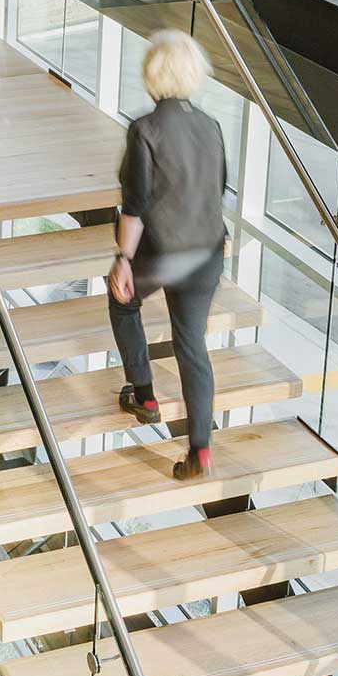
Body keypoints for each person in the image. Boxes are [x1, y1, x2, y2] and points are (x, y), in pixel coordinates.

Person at [106, 29, 228, 482]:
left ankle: (145, 395)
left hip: (167, 252)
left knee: (122, 299)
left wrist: (123, 259)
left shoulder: (145, 130)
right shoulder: (211, 126)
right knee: (192, 344)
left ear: (152, 74)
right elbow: (216, 189)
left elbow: (135, 206)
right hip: (209, 253)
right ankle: (200, 450)